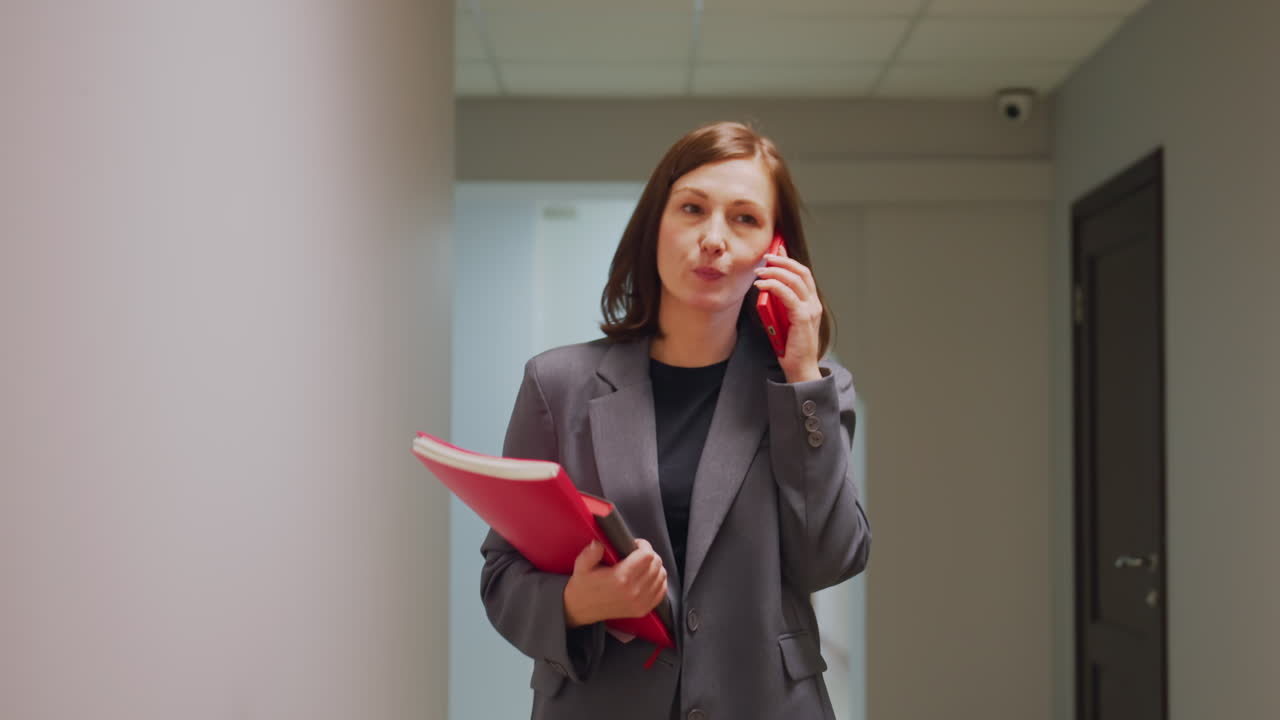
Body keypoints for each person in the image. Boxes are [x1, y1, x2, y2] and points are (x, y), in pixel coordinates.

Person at [480, 121, 871, 720]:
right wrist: (580, 601)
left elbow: (832, 559)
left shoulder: (812, 390)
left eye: (744, 218)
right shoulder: (556, 384)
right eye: (692, 208)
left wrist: (800, 373)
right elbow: (502, 577)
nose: (714, 238)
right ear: (654, 226)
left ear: (776, 251)